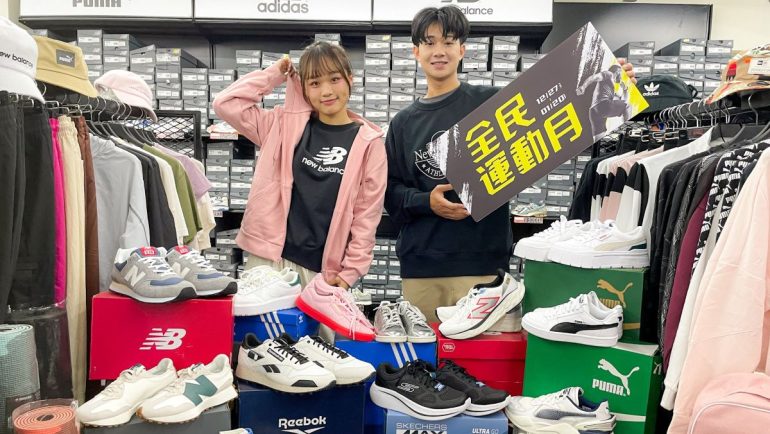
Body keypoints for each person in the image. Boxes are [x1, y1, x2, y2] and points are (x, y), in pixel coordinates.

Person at [384, 6, 636, 323]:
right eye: (430, 42)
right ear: (416, 51)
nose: (439, 51)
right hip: (422, 268)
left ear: (462, 50)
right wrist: (426, 202)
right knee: (422, 352)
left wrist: (615, 81)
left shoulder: (494, 104)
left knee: (485, 354)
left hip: (484, 266)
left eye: (448, 42)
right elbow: (389, 193)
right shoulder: (403, 123)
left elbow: (562, 114)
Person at [213, 42, 387, 290]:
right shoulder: (281, 125)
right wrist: (275, 74)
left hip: (323, 272)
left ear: (350, 78)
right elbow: (225, 104)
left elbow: (367, 215)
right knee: (258, 317)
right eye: (315, 83)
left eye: (334, 79)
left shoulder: (369, 143)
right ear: (303, 88)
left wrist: (351, 271)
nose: (326, 91)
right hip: (268, 262)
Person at [577, 64, 633, 141]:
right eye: (620, 73)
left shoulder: (609, 90)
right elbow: (594, 77)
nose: (621, 77)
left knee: (598, 139)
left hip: (593, 112)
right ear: (617, 71)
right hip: (603, 105)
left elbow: (624, 101)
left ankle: (597, 149)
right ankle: (628, 135)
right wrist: (583, 87)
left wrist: (625, 89)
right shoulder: (609, 74)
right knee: (628, 106)